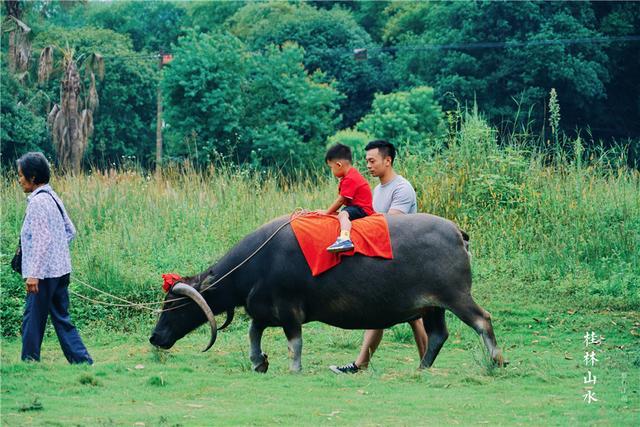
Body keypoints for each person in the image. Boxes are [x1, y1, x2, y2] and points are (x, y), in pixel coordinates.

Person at [329, 140, 427, 374]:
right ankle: (362, 364)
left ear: (388, 160)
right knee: (387, 312)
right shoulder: (377, 190)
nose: (369, 166)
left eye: (372, 161)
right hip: (383, 258)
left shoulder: (401, 188)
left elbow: (392, 226)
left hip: (403, 258)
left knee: (411, 314)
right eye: (366, 162)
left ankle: (426, 364)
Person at [16, 152, 93, 364]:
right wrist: (57, 254)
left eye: (21, 175)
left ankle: (29, 362)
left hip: (44, 274)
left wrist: (34, 274)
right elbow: (70, 231)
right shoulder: (52, 197)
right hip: (60, 270)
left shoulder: (38, 202)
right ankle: (83, 362)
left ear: (32, 177)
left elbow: (42, 239)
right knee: (61, 318)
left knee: (32, 319)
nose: (19, 180)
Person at [321, 144, 374, 253]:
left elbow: (341, 200)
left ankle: (344, 238)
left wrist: (326, 213)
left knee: (343, 214)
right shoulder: (349, 176)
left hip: (362, 209)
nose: (332, 171)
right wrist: (328, 212)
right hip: (355, 207)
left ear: (339, 164)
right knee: (340, 214)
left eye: (331, 168)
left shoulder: (350, 178)